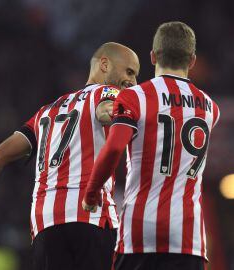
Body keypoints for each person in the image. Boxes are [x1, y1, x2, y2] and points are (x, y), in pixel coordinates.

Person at [0, 42, 140, 270]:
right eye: (129, 71)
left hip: (45, 224)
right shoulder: (107, 93)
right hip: (91, 218)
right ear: (105, 64)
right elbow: (106, 108)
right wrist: (125, 114)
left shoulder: (46, 112)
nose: (133, 82)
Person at [83, 22, 220, 270]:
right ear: (192, 61)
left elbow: (114, 148)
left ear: (153, 56)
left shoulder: (135, 97)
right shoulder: (211, 107)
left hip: (140, 231)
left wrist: (91, 193)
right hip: (188, 237)